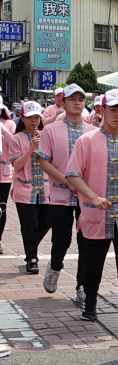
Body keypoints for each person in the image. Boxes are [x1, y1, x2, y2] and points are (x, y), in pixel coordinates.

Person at [65, 90, 118, 327]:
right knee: (93, 263)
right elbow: (73, 175)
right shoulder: (86, 141)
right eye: (114, 110)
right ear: (101, 111)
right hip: (95, 214)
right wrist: (93, 197)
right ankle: (90, 303)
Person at [36, 84, 93, 298]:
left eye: (81, 99)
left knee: (85, 239)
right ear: (63, 102)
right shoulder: (51, 130)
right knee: (62, 238)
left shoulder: (92, 131)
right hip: (60, 194)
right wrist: (67, 180)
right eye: (72, 99)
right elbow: (44, 161)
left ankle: (82, 284)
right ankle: (56, 266)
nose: (77, 102)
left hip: (85, 196)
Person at [10, 101, 49, 274]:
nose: (33, 121)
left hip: (46, 189)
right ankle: (32, 258)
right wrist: (30, 148)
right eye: (29, 118)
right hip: (25, 190)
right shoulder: (16, 138)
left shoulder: (47, 136)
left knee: (47, 222)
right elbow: (17, 165)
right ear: (22, 119)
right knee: (29, 226)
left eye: (36, 117)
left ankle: (30, 247)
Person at [0, 104, 16, 255]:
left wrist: (2, 130)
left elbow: (14, 145)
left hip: (3, 173)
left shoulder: (10, 124)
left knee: (1, 207)